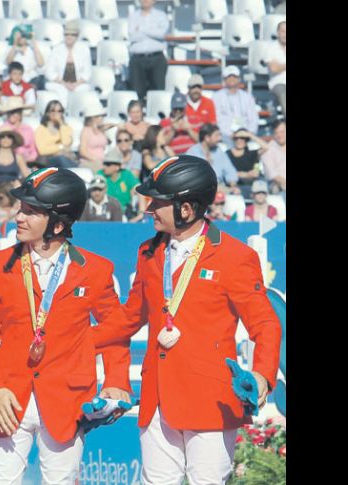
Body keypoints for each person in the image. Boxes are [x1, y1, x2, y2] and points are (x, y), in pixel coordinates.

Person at [125, 155, 281, 484]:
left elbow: (265, 324)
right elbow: (127, 319)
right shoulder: (148, 252)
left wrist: (263, 376)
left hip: (211, 401)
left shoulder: (235, 257)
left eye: (159, 202)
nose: (150, 208)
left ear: (187, 208)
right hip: (156, 398)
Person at [0, 167, 133, 483]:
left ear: (58, 224)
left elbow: (116, 329)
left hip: (67, 399)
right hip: (9, 397)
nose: (20, 217)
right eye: (22, 209)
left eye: (31, 212)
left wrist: (117, 380)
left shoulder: (96, 270)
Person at [127, 0, 169, 102]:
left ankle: (156, 116)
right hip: (137, 59)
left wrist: (142, 29)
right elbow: (132, 36)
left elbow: (162, 34)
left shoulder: (161, 15)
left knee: (158, 92)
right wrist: (152, 31)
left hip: (157, 58)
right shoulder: (133, 16)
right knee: (137, 93)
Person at [45, 20, 93, 108]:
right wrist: (64, 83)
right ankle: (63, 113)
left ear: (77, 36)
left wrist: (75, 84)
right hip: (59, 83)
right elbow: (49, 72)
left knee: (83, 90)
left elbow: (87, 73)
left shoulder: (84, 50)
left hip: (78, 84)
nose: (69, 37)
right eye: (67, 34)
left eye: (72, 35)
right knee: (62, 91)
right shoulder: (57, 49)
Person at [186, 124, 240, 193]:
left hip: (220, 188)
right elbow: (189, 176)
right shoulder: (193, 152)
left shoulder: (218, 151)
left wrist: (233, 186)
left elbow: (230, 170)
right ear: (207, 138)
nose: (219, 139)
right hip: (200, 189)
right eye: (217, 136)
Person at [213, 66, 259, 144]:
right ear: (224, 80)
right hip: (225, 138)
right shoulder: (216, 97)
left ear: (239, 79)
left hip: (246, 137)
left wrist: (249, 133)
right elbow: (217, 120)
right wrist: (230, 134)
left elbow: (253, 119)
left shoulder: (247, 97)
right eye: (229, 77)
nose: (232, 79)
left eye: (234, 76)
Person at [0, 130, 31, 194]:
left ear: (13, 140)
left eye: (9, 137)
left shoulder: (18, 157)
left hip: (13, 190)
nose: (6, 139)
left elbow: (27, 176)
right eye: (2, 137)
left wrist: (19, 183)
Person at [226, 128, 268, 198]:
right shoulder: (227, 154)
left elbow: (266, 147)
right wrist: (246, 174)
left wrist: (249, 135)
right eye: (237, 138)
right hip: (235, 184)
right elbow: (226, 172)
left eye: (242, 138)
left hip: (252, 184)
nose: (239, 140)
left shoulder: (251, 153)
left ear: (246, 140)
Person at [98, 149, 140, 218]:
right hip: (105, 214)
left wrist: (141, 213)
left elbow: (140, 190)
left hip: (125, 213)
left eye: (108, 164)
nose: (104, 167)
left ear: (117, 167)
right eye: (104, 164)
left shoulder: (127, 175)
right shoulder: (100, 174)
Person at [0, 96, 39, 164]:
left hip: (29, 162)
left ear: (20, 114)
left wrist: (31, 158)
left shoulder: (28, 129)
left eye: (14, 112)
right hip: (10, 162)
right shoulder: (3, 129)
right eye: (9, 112)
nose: (11, 114)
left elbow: (33, 149)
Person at [77, 99, 116, 171]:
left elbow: (110, 126)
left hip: (102, 162)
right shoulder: (86, 131)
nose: (102, 118)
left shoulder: (100, 130)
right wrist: (97, 160)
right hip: (89, 162)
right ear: (93, 117)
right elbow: (83, 151)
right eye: (100, 116)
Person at [6, 25, 45, 89]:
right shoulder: (11, 48)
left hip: (31, 78)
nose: (22, 37)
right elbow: (8, 62)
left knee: (39, 81)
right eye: (20, 35)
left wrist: (34, 42)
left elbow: (41, 63)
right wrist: (15, 43)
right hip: (16, 78)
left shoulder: (32, 48)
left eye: (23, 35)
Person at [264, 22, 286, 116]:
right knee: (283, 94)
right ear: (278, 33)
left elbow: (278, 67)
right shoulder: (270, 48)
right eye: (283, 31)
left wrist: (281, 65)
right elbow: (274, 68)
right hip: (278, 83)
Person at [261, 119, 286, 196]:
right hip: (279, 186)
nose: (279, 135)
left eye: (282, 132)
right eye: (276, 133)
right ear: (273, 134)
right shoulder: (268, 149)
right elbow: (272, 174)